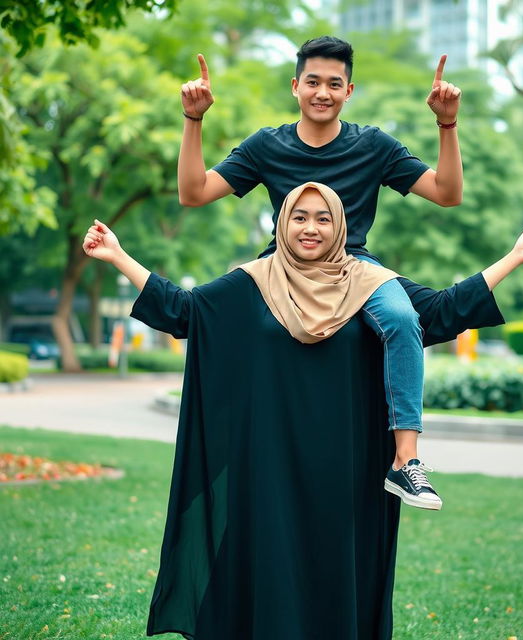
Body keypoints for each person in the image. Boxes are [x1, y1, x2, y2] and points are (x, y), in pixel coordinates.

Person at [82, 183, 523, 640]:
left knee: (339, 573)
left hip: (349, 465)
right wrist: (119, 256)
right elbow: (184, 312)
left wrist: (513, 258)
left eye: (323, 218)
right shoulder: (251, 282)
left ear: (341, 225)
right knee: (273, 571)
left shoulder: (373, 285)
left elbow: (444, 311)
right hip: (269, 463)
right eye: (300, 217)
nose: (311, 228)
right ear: (282, 223)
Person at [178, 36, 465, 508]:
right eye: (313, 82)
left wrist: (447, 124)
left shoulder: (373, 144)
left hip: (355, 268)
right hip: (280, 269)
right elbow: (193, 192)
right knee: (209, 310)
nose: (322, 92)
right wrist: (194, 119)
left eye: (335, 84)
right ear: (295, 86)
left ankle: (406, 462)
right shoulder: (267, 145)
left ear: (349, 91)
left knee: (402, 319)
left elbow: (447, 192)